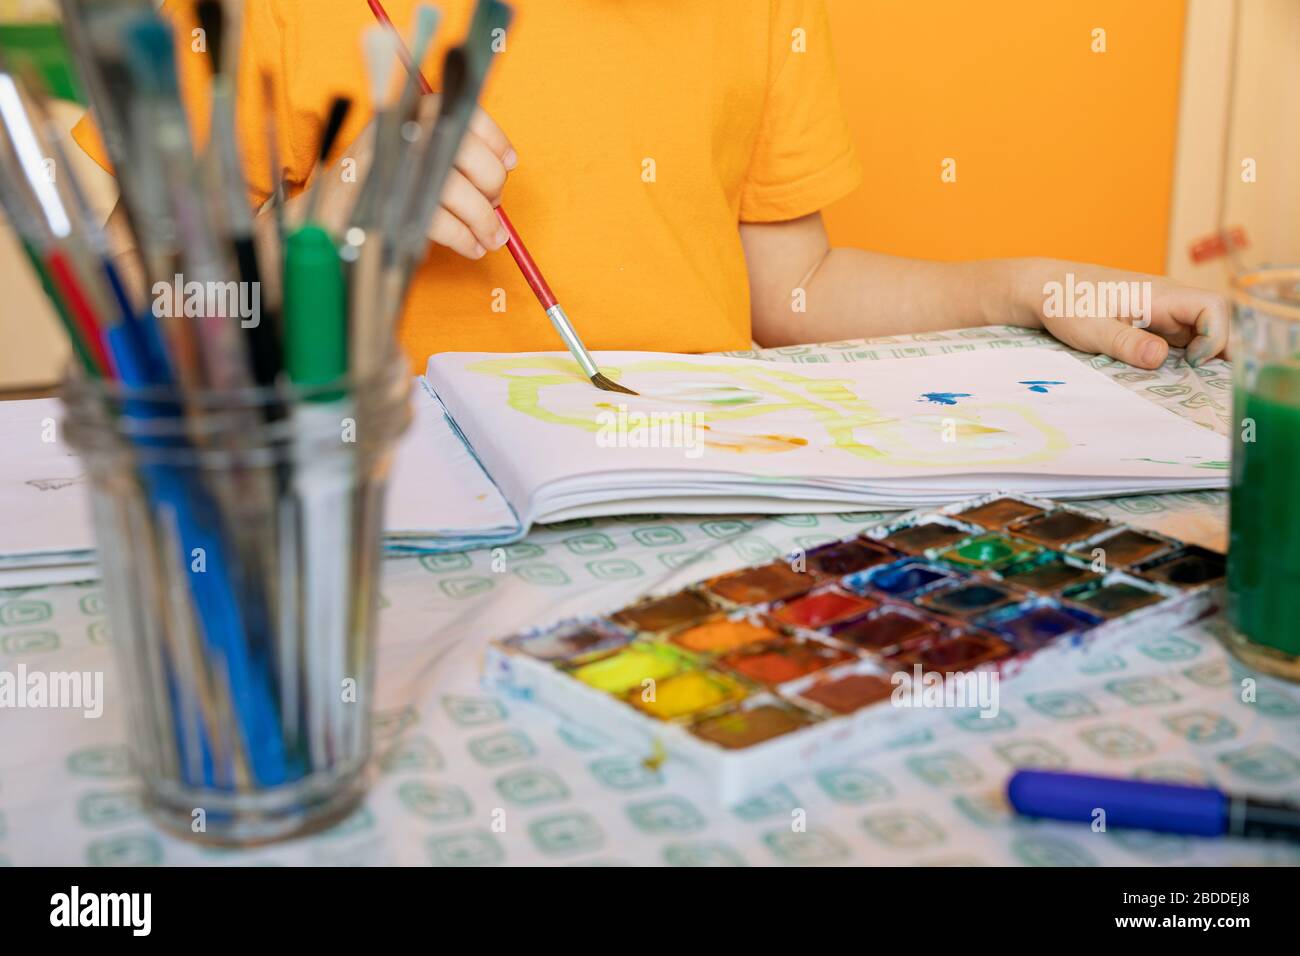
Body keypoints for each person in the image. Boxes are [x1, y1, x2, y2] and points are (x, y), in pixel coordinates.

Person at [75, 0, 1229, 371]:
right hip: (364, 555)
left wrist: (1020, 287)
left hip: (685, 537)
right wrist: (329, 219)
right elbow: (135, 310)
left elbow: (797, 288)